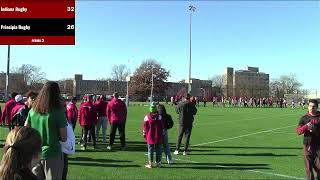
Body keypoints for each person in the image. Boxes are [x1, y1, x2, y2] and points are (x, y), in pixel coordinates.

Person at [25, 81, 67, 180]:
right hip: (52, 153)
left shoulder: (32, 111)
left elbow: (25, 129)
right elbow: (64, 138)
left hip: (35, 153)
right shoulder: (58, 113)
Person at [296, 99, 320, 180]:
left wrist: (315, 129)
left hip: (318, 146)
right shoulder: (304, 118)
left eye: (313, 106)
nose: (311, 108)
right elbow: (298, 131)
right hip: (307, 146)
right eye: (310, 106)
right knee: (308, 169)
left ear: (317, 107)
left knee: (319, 167)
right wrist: (306, 126)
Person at [143, 102, 163, 168]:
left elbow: (145, 128)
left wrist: (144, 135)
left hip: (150, 136)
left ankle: (150, 164)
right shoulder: (159, 117)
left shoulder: (146, 117)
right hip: (158, 136)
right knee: (158, 150)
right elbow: (161, 127)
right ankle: (158, 163)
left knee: (150, 150)